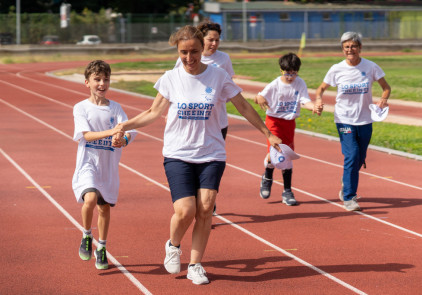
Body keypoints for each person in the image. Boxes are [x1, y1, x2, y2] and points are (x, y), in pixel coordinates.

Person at [116, 25, 281, 285]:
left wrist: (267, 134)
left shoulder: (217, 76)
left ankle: (195, 264)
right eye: (184, 52)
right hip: (178, 153)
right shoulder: (170, 78)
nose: (189, 58)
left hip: (211, 152)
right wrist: (125, 125)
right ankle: (173, 245)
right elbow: (152, 112)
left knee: (205, 209)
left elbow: (243, 106)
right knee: (185, 211)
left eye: (194, 51)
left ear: (203, 48)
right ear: (177, 51)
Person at [72, 60, 137, 270]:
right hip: (88, 162)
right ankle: (86, 235)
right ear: (87, 82)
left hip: (108, 166)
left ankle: (102, 246)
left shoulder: (116, 108)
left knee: (104, 208)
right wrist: (111, 132)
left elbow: (129, 130)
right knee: (89, 198)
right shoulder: (81, 108)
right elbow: (87, 135)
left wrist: (123, 140)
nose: (102, 83)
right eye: (97, 79)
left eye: (105, 79)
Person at [315, 32, 391, 211]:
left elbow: (386, 87)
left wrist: (384, 99)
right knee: (352, 155)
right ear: (342, 49)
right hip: (344, 119)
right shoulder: (336, 69)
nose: (350, 50)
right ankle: (349, 197)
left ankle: (346, 180)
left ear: (360, 48)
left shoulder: (371, 67)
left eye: (353, 46)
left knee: (360, 157)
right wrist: (318, 100)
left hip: (365, 119)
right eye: (347, 47)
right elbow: (320, 89)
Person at [175, 20, 235, 214]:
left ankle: (208, 200)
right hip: (192, 120)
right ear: (202, 40)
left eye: (217, 40)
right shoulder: (187, 59)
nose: (214, 44)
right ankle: (194, 200)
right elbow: (177, 88)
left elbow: (230, 88)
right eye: (211, 40)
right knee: (192, 161)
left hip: (218, 121)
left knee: (211, 162)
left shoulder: (224, 60)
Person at [254, 53, 322, 206]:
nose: (290, 76)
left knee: (288, 156)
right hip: (274, 122)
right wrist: (260, 98)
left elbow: (305, 101)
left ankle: (286, 190)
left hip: (289, 123)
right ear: (281, 70)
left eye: (294, 73)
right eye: (287, 73)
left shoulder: (300, 83)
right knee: (278, 153)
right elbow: (258, 97)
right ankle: (269, 177)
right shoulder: (275, 85)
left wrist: (314, 107)